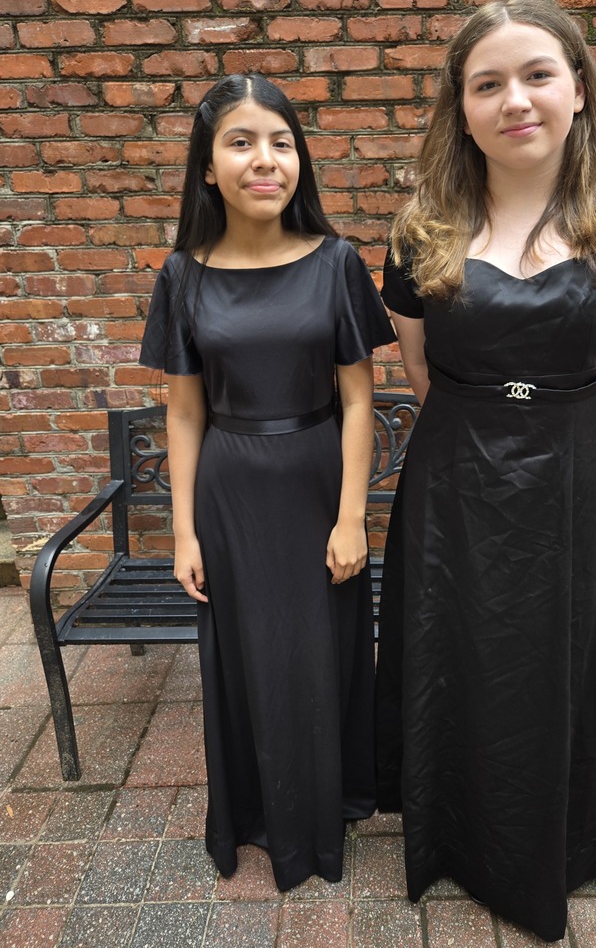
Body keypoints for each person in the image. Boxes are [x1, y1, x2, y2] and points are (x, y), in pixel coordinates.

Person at [374, 0, 596, 943]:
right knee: (453, 651)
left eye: (538, 74)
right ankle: (454, 834)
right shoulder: (420, 228)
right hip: (452, 483)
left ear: (578, 89)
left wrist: (549, 428)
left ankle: (563, 839)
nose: (516, 100)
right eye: (487, 83)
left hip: (571, 480)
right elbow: (421, 372)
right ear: (460, 109)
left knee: (560, 661)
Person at [139, 73, 394, 891]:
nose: (266, 160)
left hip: (317, 480)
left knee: (321, 655)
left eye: (281, 142)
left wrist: (352, 515)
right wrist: (183, 531)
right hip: (231, 492)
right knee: (247, 656)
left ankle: (327, 811)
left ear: (300, 160)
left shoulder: (338, 262)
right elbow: (184, 414)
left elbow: (361, 402)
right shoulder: (183, 275)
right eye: (242, 142)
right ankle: (252, 812)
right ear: (207, 167)